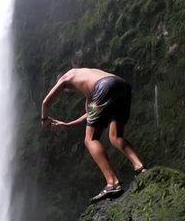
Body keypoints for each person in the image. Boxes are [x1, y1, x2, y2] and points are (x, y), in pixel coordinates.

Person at [40, 68, 147, 202]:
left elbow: (45, 102)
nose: (71, 91)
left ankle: (112, 183)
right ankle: (140, 167)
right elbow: (91, 113)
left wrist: (44, 120)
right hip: (122, 86)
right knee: (116, 136)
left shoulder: (66, 76)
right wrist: (68, 124)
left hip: (104, 87)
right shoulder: (88, 78)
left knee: (90, 139)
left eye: (68, 90)